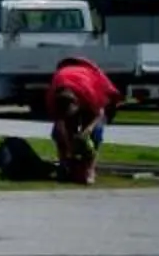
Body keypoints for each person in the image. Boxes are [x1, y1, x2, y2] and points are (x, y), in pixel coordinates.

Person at [46, 56, 118, 187]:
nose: (70, 116)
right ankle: (64, 166)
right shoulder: (53, 98)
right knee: (57, 134)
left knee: (96, 133)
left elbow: (100, 114)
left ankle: (90, 169)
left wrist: (87, 130)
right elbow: (59, 123)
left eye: (72, 112)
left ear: (77, 104)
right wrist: (68, 147)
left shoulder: (90, 94)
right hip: (67, 83)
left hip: (89, 87)